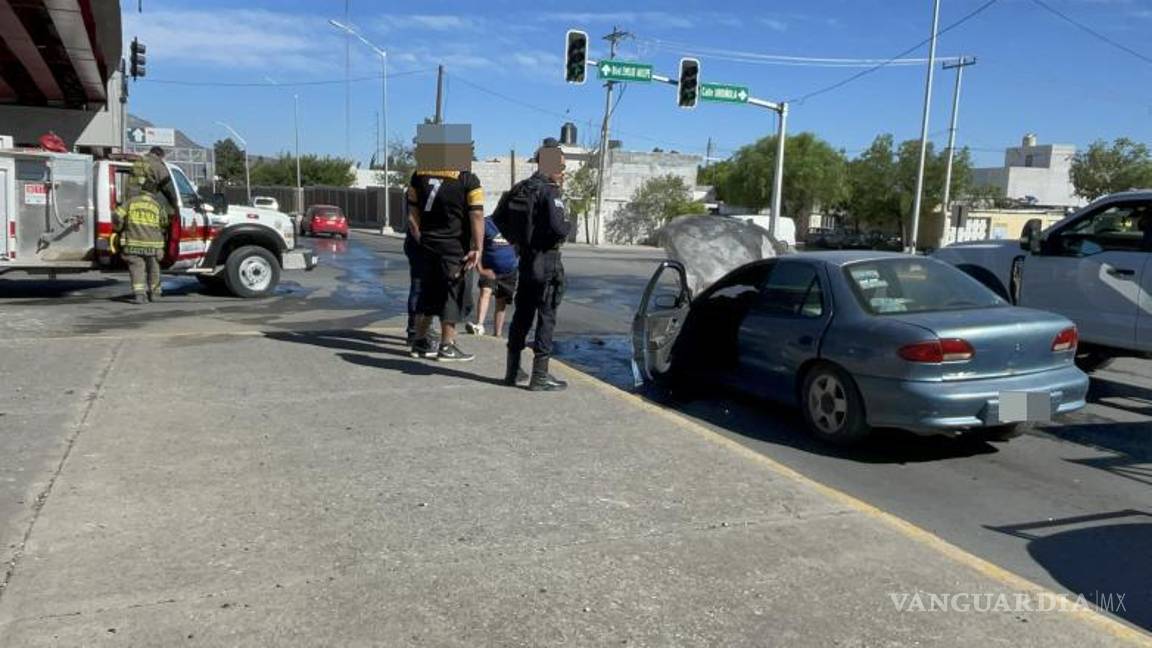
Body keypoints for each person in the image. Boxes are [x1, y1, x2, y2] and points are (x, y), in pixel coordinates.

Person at [406, 126, 485, 362]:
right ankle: (447, 345)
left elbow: (412, 214)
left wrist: (421, 237)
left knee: (428, 293)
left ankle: (420, 341)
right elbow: (477, 215)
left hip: (428, 243)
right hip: (454, 247)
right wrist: (478, 247)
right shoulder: (467, 179)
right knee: (452, 294)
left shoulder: (419, 175)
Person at [505, 140, 571, 391]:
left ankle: (512, 371)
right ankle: (540, 376)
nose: (563, 173)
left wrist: (520, 242)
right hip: (547, 261)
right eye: (561, 167)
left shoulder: (521, 188)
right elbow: (559, 227)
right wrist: (567, 226)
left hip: (526, 260)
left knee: (522, 316)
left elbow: (500, 219)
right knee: (546, 317)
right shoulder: (549, 191)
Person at [114, 164, 169, 304]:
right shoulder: (158, 206)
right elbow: (164, 223)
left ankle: (139, 295)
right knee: (154, 269)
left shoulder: (131, 202)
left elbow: (117, 215)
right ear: (154, 193)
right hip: (153, 246)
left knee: (137, 269)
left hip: (133, 244)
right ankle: (155, 294)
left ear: (142, 190)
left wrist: (120, 228)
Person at [467, 216, 518, 338]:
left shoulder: (514, 224)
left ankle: (497, 334)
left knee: (502, 301)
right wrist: (480, 269)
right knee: (485, 292)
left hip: (509, 270)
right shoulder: (486, 223)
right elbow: (475, 246)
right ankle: (479, 325)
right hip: (489, 268)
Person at [142, 146, 179, 218]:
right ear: (159, 155)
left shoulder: (138, 162)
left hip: (132, 202)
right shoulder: (157, 165)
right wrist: (175, 204)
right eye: (162, 158)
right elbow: (167, 186)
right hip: (150, 205)